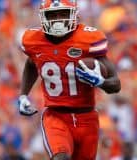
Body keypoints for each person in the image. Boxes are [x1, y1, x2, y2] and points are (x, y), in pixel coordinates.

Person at [17, 0, 121, 160]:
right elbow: (32, 63)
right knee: (61, 157)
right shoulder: (33, 40)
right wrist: (23, 94)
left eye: (63, 14)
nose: (58, 19)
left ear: (74, 14)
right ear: (43, 17)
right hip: (56, 116)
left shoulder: (89, 39)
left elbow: (116, 84)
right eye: (53, 14)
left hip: (87, 117)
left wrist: (100, 81)